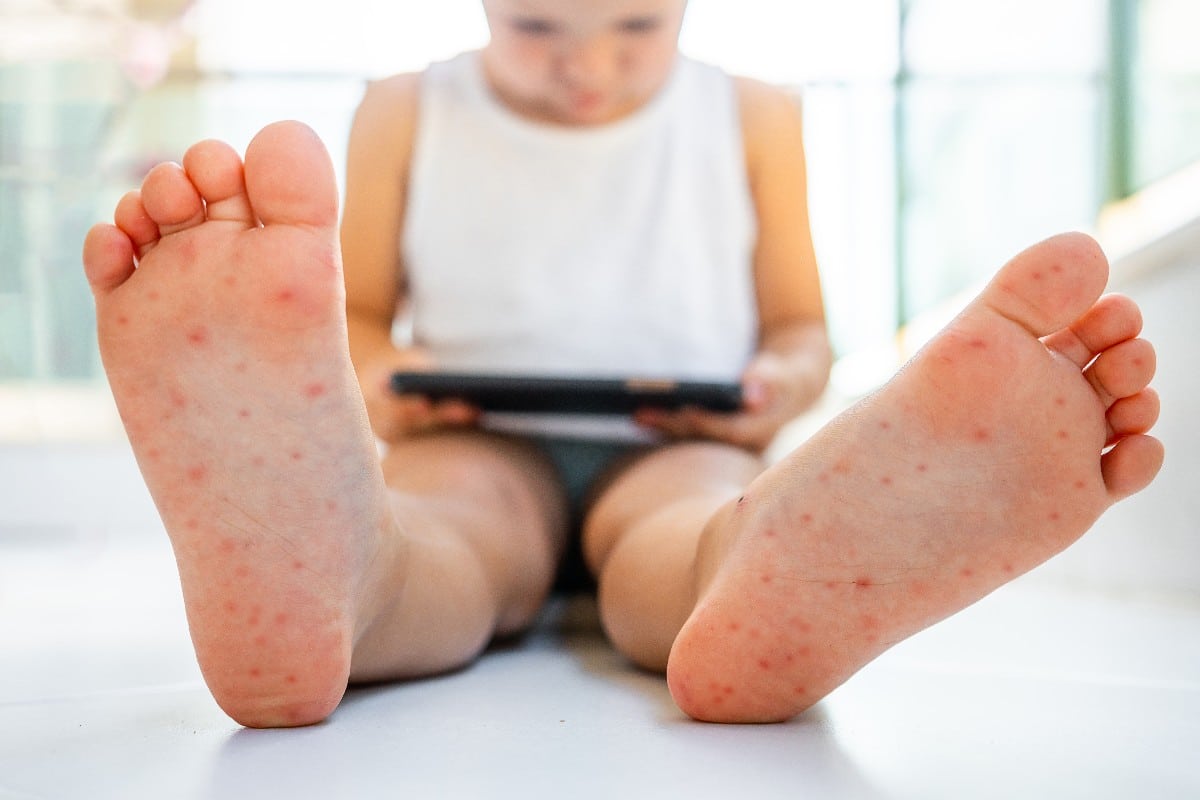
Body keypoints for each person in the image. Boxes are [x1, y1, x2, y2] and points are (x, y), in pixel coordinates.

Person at [80, 0, 1164, 729]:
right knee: (466, 528)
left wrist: (772, 390)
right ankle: (340, 579)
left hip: (675, 434)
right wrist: (385, 381)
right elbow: (356, 316)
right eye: (538, 23)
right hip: (466, 430)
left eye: (636, 24)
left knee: (668, 534)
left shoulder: (752, 113)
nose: (588, 63)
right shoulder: (406, 108)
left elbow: (797, 329)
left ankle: (761, 571)